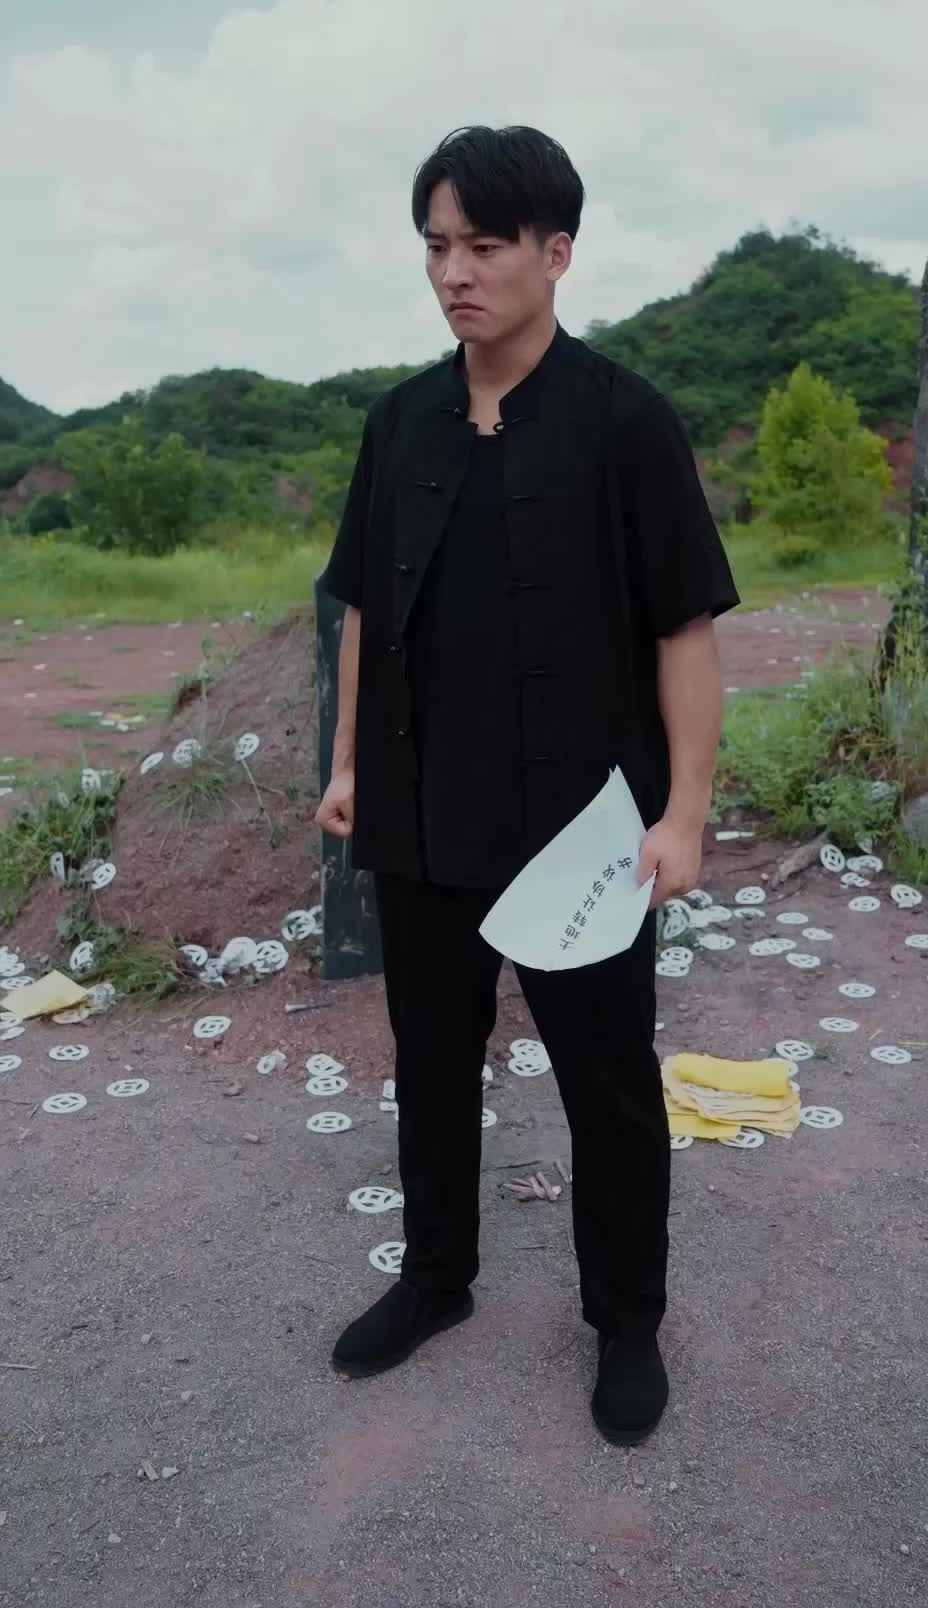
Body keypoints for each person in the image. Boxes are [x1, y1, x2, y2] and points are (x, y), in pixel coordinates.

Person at [316, 124, 738, 1444]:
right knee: (432, 1063)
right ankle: (436, 1279)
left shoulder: (624, 421)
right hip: (423, 808)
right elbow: (361, 607)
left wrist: (683, 814)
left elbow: (684, 631)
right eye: (437, 245)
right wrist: (346, 762)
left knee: (606, 1080)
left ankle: (627, 1321)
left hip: (583, 829)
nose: (455, 272)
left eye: (485, 246)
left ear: (556, 254)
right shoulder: (400, 422)